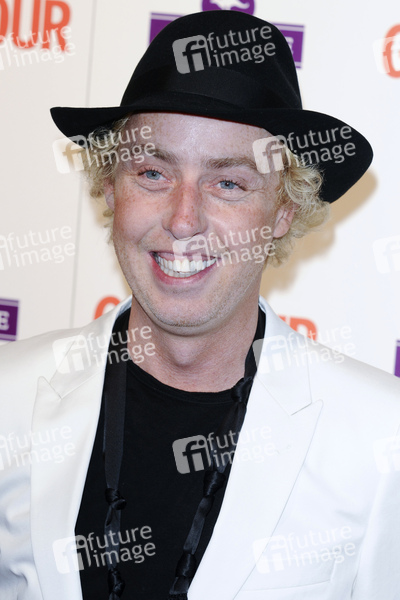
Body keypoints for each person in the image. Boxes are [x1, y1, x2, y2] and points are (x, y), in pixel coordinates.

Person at [1, 9, 400, 600]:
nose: (183, 219)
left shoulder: (381, 437)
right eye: (153, 172)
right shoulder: (9, 394)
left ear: (283, 211)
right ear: (111, 187)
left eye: (228, 183)